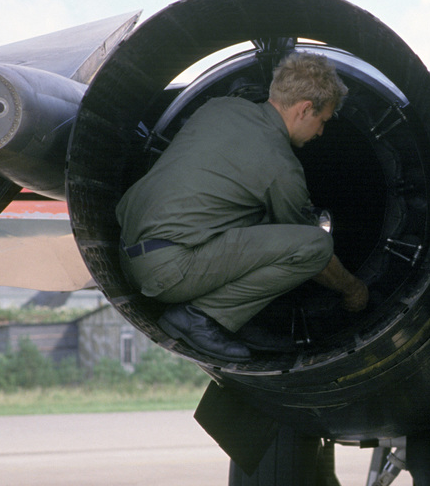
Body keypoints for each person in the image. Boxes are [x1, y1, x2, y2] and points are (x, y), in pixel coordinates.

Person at [116, 52, 368, 362]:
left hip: (127, 254)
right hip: (168, 271)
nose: (320, 132)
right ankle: (201, 317)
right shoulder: (280, 166)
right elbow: (312, 252)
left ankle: (218, 316)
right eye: (322, 121)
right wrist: (352, 288)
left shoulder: (218, 107)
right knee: (315, 243)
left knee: (259, 216)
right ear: (304, 109)